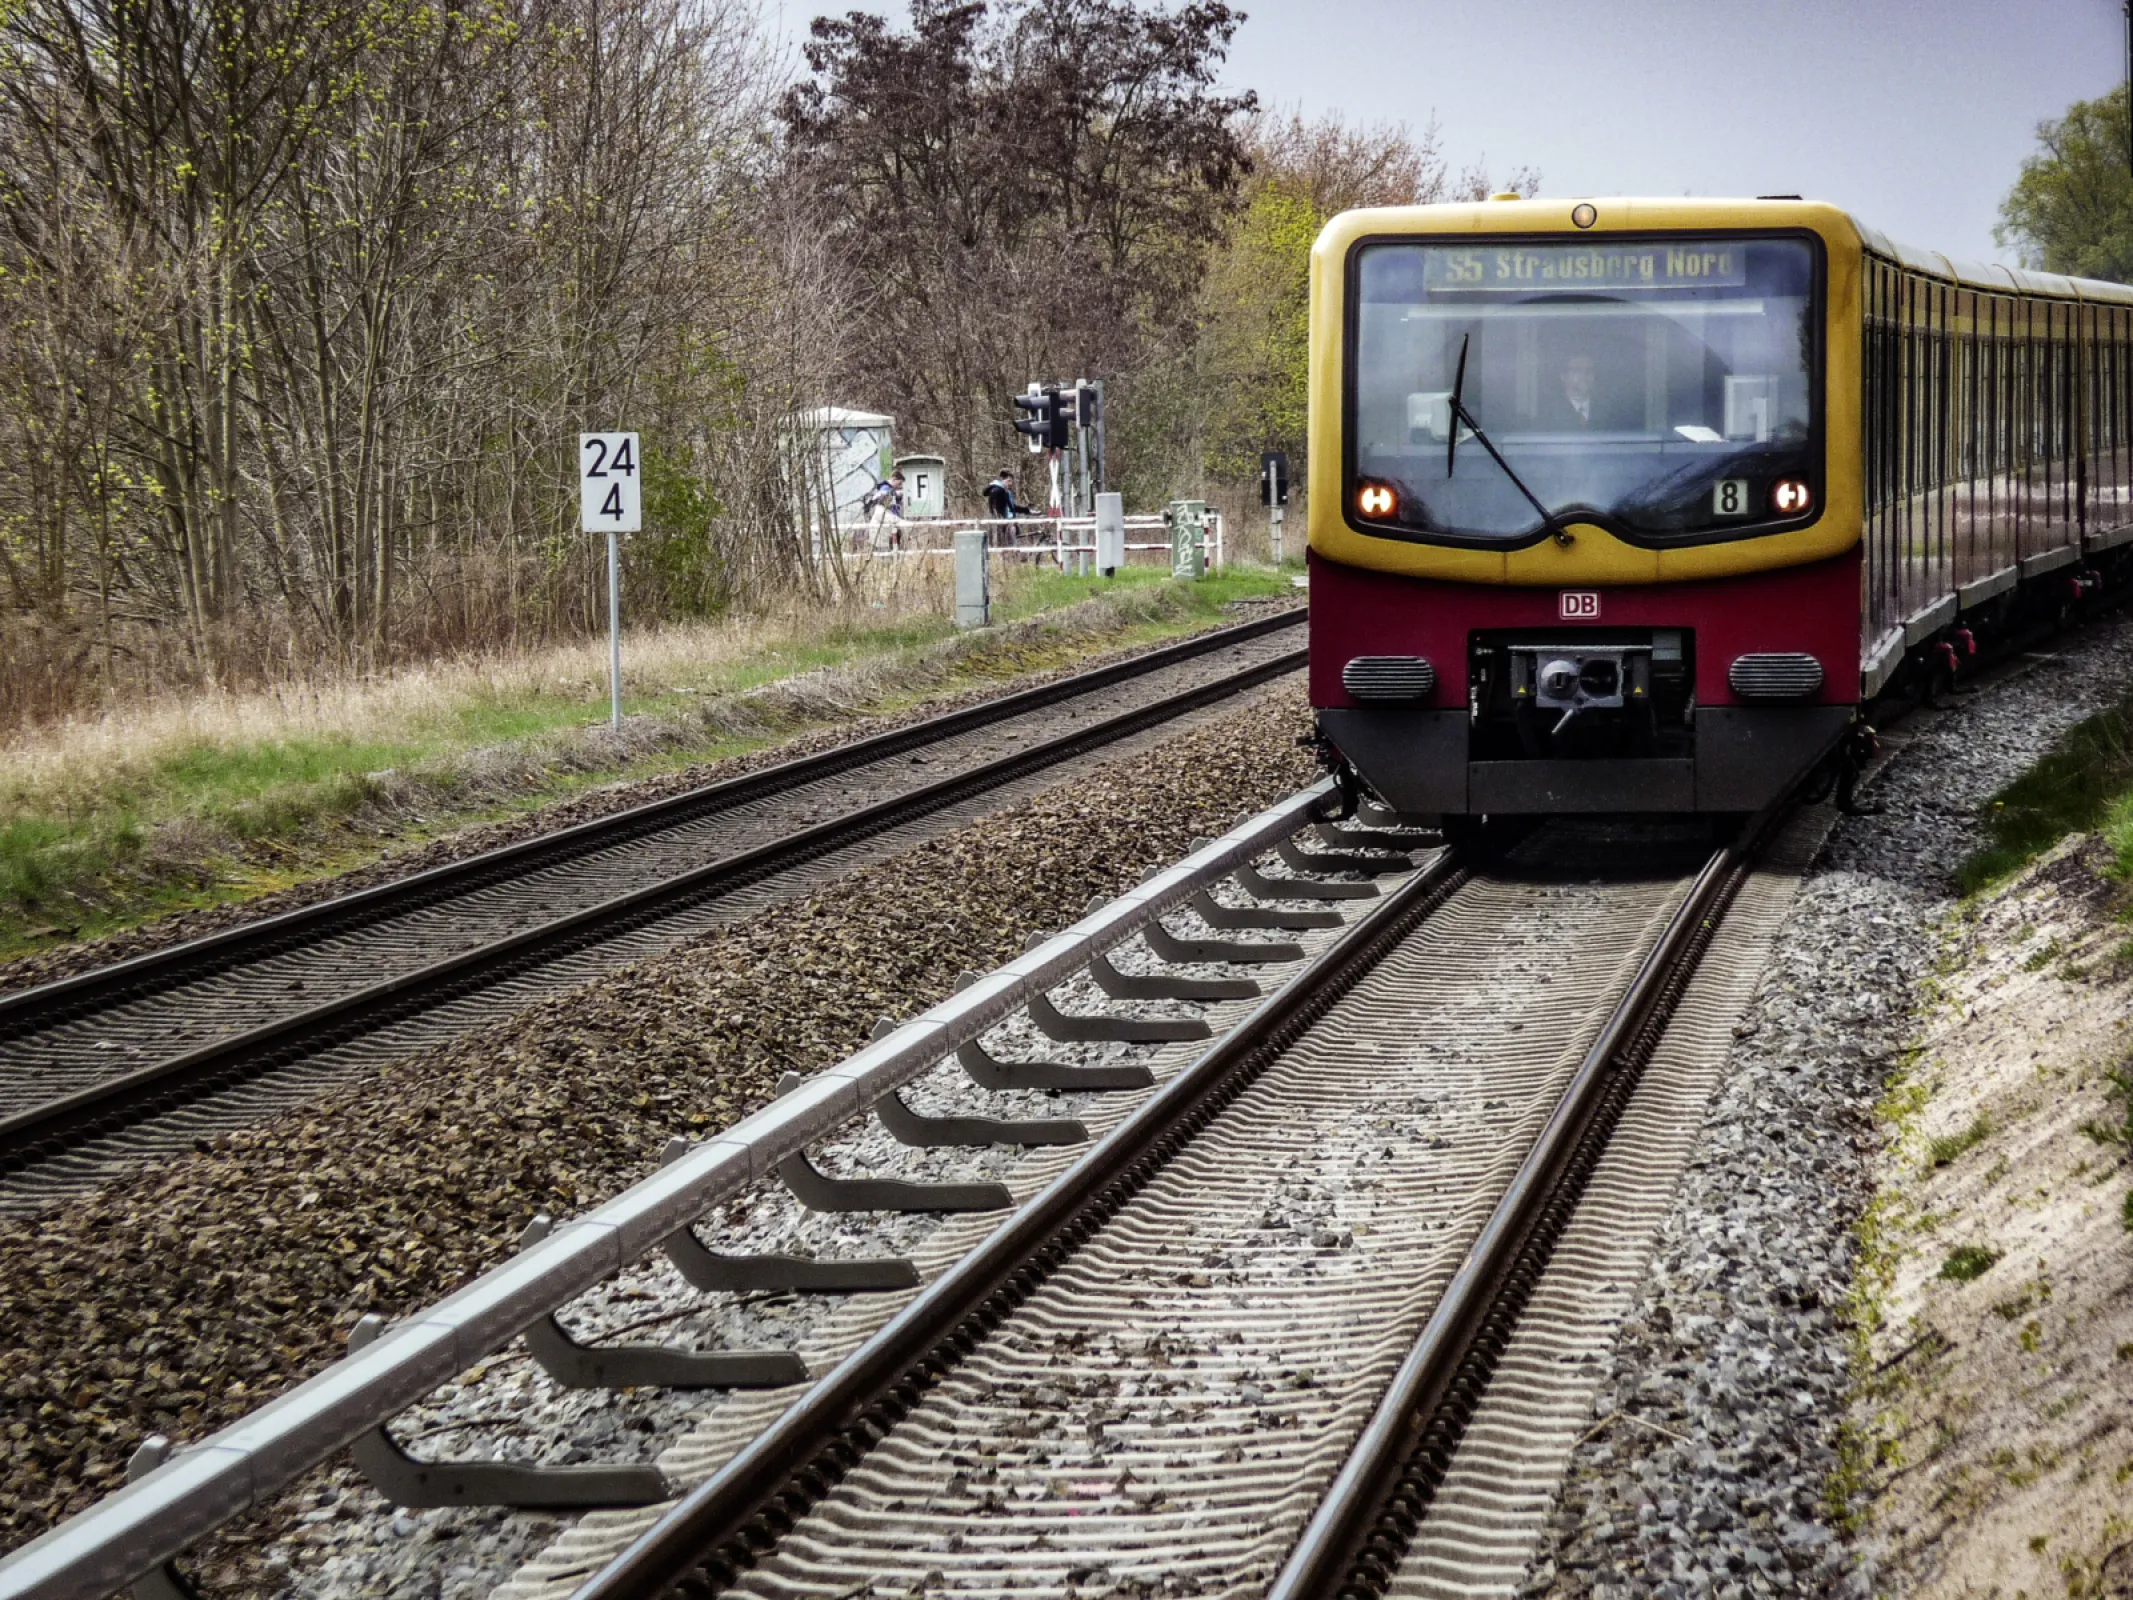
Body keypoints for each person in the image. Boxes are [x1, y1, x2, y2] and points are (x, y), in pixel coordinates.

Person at [1538, 352, 1600, 430]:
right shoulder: (1548, 414)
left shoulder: (1608, 412)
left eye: (1589, 370)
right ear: (1563, 376)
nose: (1584, 374)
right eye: (1577, 370)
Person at [983, 469, 1028, 544]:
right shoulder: (998, 491)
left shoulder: (1004, 491)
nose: (1011, 483)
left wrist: (1027, 510)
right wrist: (1005, 525)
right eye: (1009, 481)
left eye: (1011, 481)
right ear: (1002, 480)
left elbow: (1012, 508)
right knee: (1008, 548)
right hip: (1002, 526)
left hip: (1006, 524)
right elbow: (996, 511)